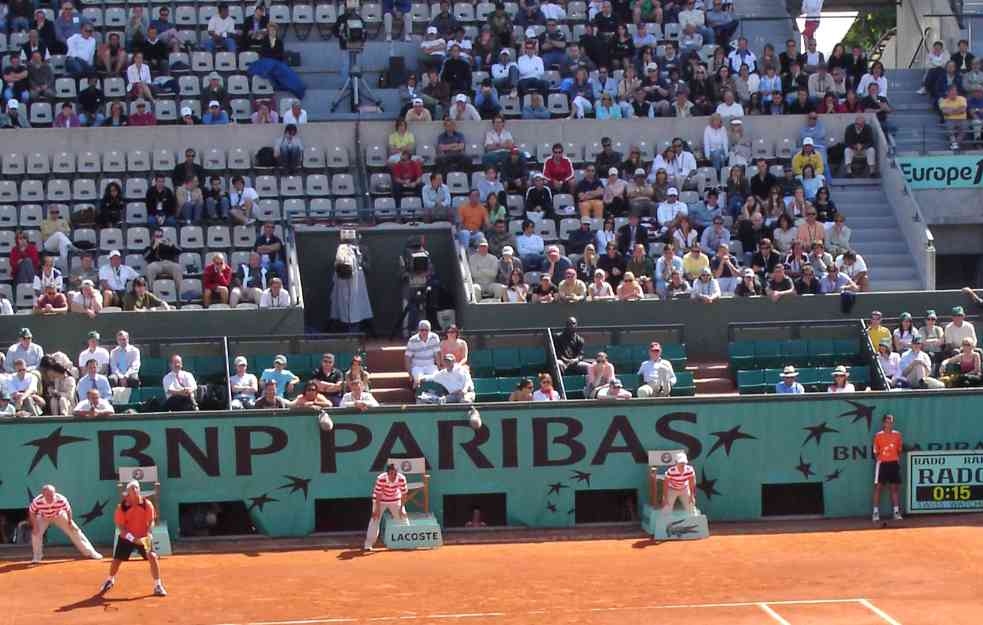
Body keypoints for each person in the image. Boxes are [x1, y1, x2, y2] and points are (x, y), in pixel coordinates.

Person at [99, 480, 166, 596]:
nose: (135, 490)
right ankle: (110, 579)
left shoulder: (147, 504)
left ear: (139, 490)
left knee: (152, 556)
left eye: (137, 488)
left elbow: (151, 522)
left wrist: (149, 533)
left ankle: (158, 586)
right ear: (128, 492)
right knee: (117, 560)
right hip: (127, 538)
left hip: (144, 536)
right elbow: (121, 527)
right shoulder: (122, 507)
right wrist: (133, 539)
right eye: (132, 488)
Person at [29, 484, 102, 564]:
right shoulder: (37, 501)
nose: (50, 497)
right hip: (43, 517)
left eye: (52, 494)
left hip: (59, 515)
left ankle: (90, 552)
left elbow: (68, 510)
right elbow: (32, 512)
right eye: (47, 495)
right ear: (43, 495)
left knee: (75, 530)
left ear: (55, 493)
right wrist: (35, 526)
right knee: (35, 534)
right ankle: (37, 557)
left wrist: (70, 521)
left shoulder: (61, 499)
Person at [363, 463, 408, 551]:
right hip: (380, 500)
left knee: (403, 518)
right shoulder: (381, 478)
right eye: (391, 473)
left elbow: (404, 494)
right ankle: (368, 545)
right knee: (375, 519)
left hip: (395, 500)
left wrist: (401, 509)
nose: (393, 476)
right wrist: (377, 509)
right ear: (387, 473)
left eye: (395, 473)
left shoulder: (401, 478)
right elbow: (378, 494)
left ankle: (407, 542)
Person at [871, 415, 903, 522]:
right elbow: (875, 452)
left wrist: (893, 458)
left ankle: (896, 512)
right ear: (883, 423)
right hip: (882, 464)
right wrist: (881, 460)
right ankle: (875, 513)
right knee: (878, 488)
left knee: (894, 488)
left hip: (893, 463)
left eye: (891, 422)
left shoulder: (897, 435)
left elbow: (899, 450)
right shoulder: (878, 436)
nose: (889, 424)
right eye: (887, 422)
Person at [406, 320, 440, 389]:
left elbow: (437, 354)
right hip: (417, 367)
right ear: (418, 330)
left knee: (438, 378)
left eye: (426, 330)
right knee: (417, 378)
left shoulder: (434, 337)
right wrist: (410, 373)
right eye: (422, 330)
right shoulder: (412, 340)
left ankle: (421, 379)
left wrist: (439, 367)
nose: (424, 332)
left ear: (430, 330)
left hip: (430, 366)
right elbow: (407, 358)